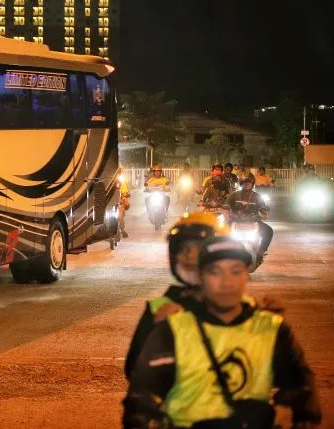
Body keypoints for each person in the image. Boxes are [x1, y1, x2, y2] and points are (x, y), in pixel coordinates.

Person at [123, 236, 322, 428]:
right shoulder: (173, 330)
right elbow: (142, 396)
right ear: (201, 277)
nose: (227, 283)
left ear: (247, 275)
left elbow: (300, 381)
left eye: (236, 272)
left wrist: (307, 411)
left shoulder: (272, 328)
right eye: (215, 272)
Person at [124, 212, 229, 379]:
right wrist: (160, 336)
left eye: (200, 250)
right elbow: (135, 370)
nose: (190, 257)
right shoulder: (160, 309)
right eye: (184, 249)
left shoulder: (243, 309)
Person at [224, 172, 273, 255]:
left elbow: (263, 207)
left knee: (269, 231)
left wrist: (265, 214)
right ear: (241, 183)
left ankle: (262, 250)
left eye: (249, 182)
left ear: (252, 184)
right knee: (220, 231)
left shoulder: (257, 196)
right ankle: (223, 250)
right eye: (245, 182)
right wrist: (226, 215)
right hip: (236, 220)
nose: (247, 184)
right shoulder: (233, 195)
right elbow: (226, 207)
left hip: (253, 221)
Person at [118, 170, 131, 239]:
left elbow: (125, 193)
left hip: (119, 203)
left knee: (120, 216)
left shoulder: (122, 184)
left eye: (119, 173)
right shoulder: (107, 183)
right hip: (109, 204)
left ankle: (122, 229)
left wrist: (124, 197)